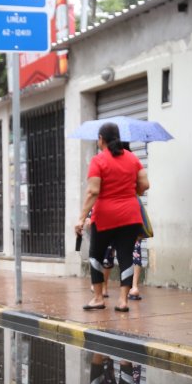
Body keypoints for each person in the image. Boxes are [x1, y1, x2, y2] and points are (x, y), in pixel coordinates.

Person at [74, 122, 149, 312]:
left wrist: (81, 218)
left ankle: (98, 298)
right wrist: (133, 191)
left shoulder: (98, 160)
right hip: (130, 216)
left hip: (105, 217)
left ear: (101, 139)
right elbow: (145, 185)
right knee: (126, 256)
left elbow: (93, 191)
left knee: (96, 255)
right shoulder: (132, 159)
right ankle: (123, 301)